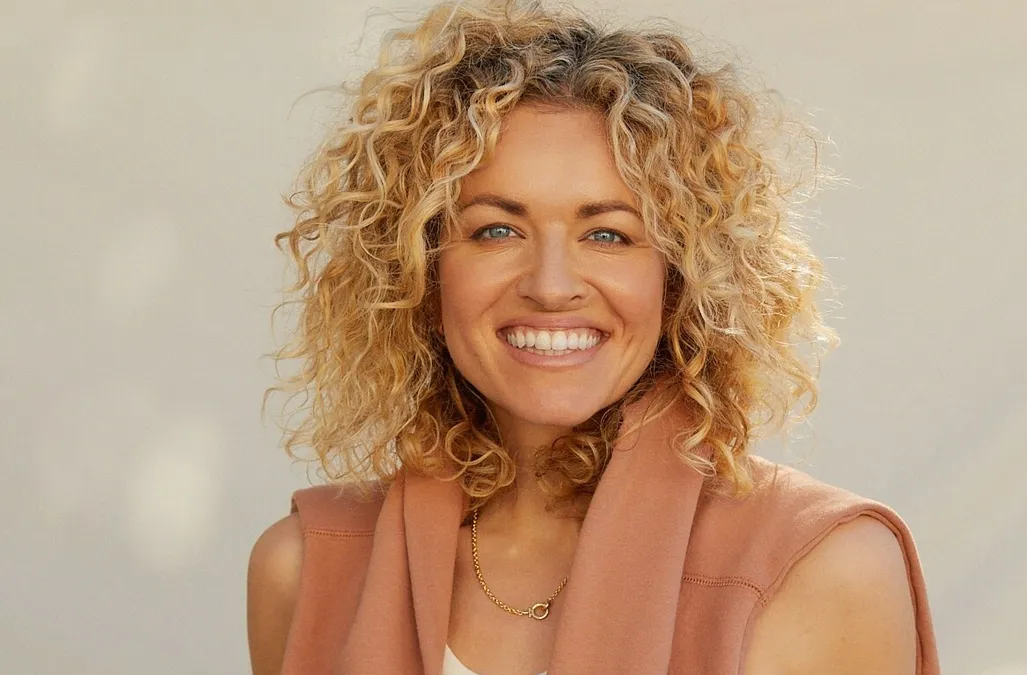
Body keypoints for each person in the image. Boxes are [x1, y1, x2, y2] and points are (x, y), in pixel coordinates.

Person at [248, 1, 940, 673]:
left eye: (608, 233)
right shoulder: (306, 568)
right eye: (497, 229)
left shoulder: (822, 567)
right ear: (420, 271)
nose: (551, 284)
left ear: (680, 279)